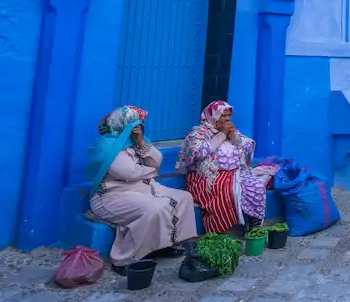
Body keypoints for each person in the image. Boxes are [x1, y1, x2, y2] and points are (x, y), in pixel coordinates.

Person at [86, 105, 198, 274]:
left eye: (138, 124)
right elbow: (129, 173)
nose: (137, 127)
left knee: (184, 198)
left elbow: (157, 161)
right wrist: (151, 171)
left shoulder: (134, 142)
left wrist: (141, 143)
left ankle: (166, 244)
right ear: (121, 123)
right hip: (112, 196)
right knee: (155, 207)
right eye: (133, 123)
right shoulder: (105, 146)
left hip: (144, 188)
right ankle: (124, 260)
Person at [177, 101, 267, 234]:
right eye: (223, 115)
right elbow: (198, 153)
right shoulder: (198, 133)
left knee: (256, 186)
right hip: (206, 177)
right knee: (226, 190)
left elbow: (249, 145)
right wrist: (222, 135)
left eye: (229, 115)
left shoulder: (230, 131)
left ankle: (255, 224)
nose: (227, 119)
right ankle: (223, 231)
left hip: (234, 173)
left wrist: (235, 138)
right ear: (212, 116)